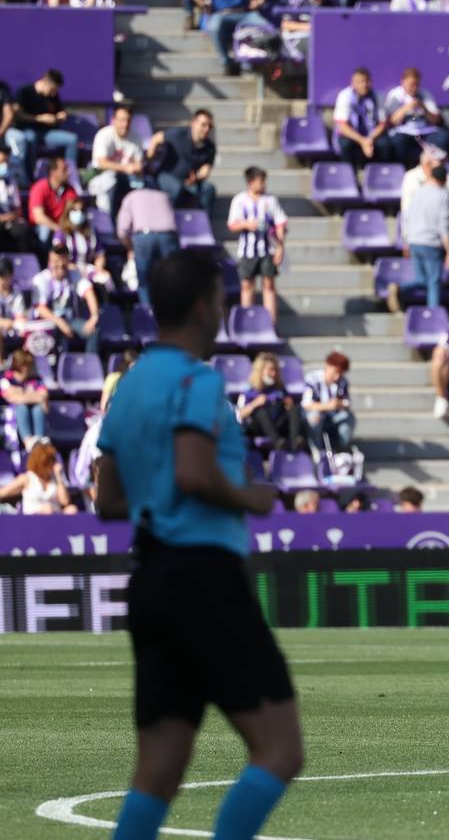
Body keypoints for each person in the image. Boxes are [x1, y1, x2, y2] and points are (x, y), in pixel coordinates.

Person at [98, 250, 299, 840]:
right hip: (204, 576)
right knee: (279, 750)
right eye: (219, 300)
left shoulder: (129, 386)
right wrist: (249, 496)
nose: (223, 311)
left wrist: (157, 496)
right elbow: (192, 471)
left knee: (157, 770)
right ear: (200, 306)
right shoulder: (197, 379)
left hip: (152, 578)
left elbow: (107, 500)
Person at [390, 164, 449, 312]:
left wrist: (406, 241)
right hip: (431, 242)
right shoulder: (442, 195)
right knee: (434, 282)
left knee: (421, 280)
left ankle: (400, 287)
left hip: (414, 240)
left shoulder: (418, 193)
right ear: (444, 180)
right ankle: (433, 314)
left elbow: (407, 217)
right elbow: (443, 225)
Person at [227, 167, 288, 325]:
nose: (264, 184)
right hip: (247, 251)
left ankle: (271, 324)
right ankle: (247, 324)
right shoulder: (240, 200)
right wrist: (247, 224)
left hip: (267, 249)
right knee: (247, 285)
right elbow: (232, 225)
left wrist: (280, 248)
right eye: (261, 181)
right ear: (251, 182)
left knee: (269, 285)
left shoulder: (270, 201)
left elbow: (280, 224)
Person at [9, 69, 79, 187]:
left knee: (72, 139)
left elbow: (59, 111)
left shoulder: (53, 96)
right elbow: (18, 115)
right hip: (28, 130)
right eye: (53, 89)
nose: (53, 93)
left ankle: (70, 177)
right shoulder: (25, 91)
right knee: (30, 137)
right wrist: (40, 118)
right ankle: (30, 178)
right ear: (46, 82)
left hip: (47, 133)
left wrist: (61, 116)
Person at [116, 186, 180, 308]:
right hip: (169, 236)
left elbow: (122, 230)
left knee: (144, 281)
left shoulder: (131, 197)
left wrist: (130, 248)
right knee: (171, 278)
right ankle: (173, 312)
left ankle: (148, 314)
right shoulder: (164, 195)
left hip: (144, 237)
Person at [34, 243, 100, 354]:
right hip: (49, 322)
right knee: (57, 334)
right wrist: (59, 322)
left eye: (63, 260)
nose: (60, 264)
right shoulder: (41, 279)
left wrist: (94, 316)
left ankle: (89, 364)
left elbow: (89, 292)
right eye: (56, 261)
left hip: (71, 320)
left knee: (94, 331)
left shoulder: (74, 274)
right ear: (49, 261)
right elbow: (41, 309)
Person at [147, 110, 217, 213]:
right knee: (176, 187)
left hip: (189, 182)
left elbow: (206, 168)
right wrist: (150, 157)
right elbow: (156, 138)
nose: (206, 129)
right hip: (166, 176)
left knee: (208, 189)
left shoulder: (209, 147)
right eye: (203, 125)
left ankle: (203, 222)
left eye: (209, 126)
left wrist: (198, 177)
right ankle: (167, 219)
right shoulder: (178, 134)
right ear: (193, 123)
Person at [383, 68, 449, 170]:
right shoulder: (395, 95)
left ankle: (433, 169)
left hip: (424, 131)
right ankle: (402, 170)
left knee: (442, 137)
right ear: (403, 82)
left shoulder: (425, 95)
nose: (414, 88)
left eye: (417, 84)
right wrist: (406, 108)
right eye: (411, 84)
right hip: (403, 132)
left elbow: (436, 120)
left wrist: (423, 108)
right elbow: (390, 122)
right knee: (397, 141)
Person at [237, 352, 306, 452]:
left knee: (294, 408)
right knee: (261, 412)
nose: (273, 374)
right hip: (259, 427)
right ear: (260, 371)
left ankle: (295, 441)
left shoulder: (279, 389)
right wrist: (255, 403)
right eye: (270, 370)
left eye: (275, 370)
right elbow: (239, 415)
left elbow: (288, 405)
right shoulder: (249, 390)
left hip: (277, 424)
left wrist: (288, 404)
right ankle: (278, 443)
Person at [333, 68, 394, 174]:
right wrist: (363, 141)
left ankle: (378, 176)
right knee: (346, 145)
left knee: (384, 145)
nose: (364, 85)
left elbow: (382, 123)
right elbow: (342, 126)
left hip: (372, 134)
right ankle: (348, 177)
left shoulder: (378, 96)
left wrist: (370, 139)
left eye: (366, 81)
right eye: (360, 82)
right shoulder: (345, 96)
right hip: (351, 134)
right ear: (353, 83)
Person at [89, 106, 147, 217]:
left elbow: (139, 166)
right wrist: (126, 167)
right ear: (114, 120)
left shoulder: (136, 137)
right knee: (108, 183)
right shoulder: (104, 135)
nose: (125, 124)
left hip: (127, 178)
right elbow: (103, 163)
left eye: (128, 120)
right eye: (121, 120)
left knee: (147, 184)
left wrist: (133, 168)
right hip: (100, 175)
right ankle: (106, 223)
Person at [0, 438, 75, 514]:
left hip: (54, 517)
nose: (52, 464)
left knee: (72, 509)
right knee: (47, 510)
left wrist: (59, 477)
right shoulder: (27, 478)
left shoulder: (56, 478)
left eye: (53, 461)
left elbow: (65, 501)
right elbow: (3, 493)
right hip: (33, 518)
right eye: (49, 462)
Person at [302, 351, 354, 454]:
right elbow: (306, 404)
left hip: (332, 417)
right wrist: (327, 406)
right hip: (314, 416)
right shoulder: (312, 379)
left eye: (340, 373)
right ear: (327, 365)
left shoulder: (342, 382)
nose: (337, 376)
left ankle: (338, 450)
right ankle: (317, 452)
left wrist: (337, 404)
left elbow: (347, 402)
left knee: (348, 417)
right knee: (314, 417)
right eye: (335, 371)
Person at [27, 155, 77, 250]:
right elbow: (39, 218)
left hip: (61, 226)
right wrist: (58, 229)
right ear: (53, 172)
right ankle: (43, 261)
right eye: (64, 169)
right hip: (40, 228)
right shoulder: (39, 188)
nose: (68, 172)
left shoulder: (70, 190)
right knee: (44, 230)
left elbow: (72, 212)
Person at [1, 349, 48, 449]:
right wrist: (33, 395)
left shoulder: (36, 379)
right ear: (22, 367)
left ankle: (39, 441)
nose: (33, 368)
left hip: (33, 414)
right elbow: (12, 398)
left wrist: (21, 393)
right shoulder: (6, 378)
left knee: (38, 409)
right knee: (22, 407)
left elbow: (43, 396)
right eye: (30, 366)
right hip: (10, 418)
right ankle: (28, 442)